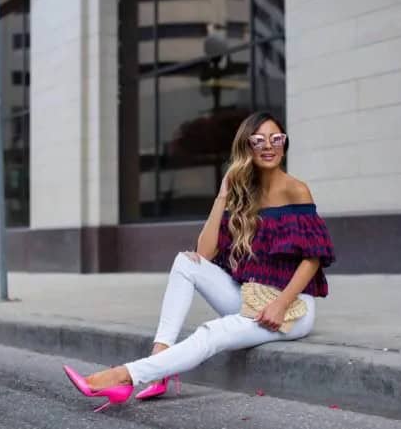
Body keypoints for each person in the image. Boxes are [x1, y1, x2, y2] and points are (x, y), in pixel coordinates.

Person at [63, 111, 336, 412]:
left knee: (212, 332)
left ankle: (123, 376)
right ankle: (161, 353)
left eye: (276, 139)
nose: (268, 146)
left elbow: (313, 258)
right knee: (185, 262)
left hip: (292, 307)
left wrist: (281, 304)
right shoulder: (243, 194)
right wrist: (224, 193)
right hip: (251, 297)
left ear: (285, 144)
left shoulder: (296, 189)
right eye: (259, 140)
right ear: (247, 147)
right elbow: (204, 253)